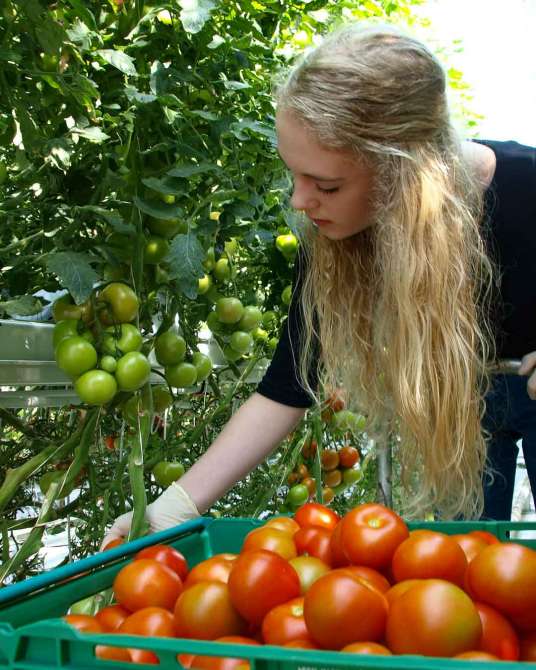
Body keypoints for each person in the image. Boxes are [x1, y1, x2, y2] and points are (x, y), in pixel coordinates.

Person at [103, 23, 536, 545]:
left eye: (326, 185)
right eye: (295, 175)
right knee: (465, 565)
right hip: (464, 402)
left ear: (407, 175)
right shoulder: (336, 229)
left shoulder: (527, 187)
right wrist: (173, 507)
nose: (299, 202)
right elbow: (288, 385)